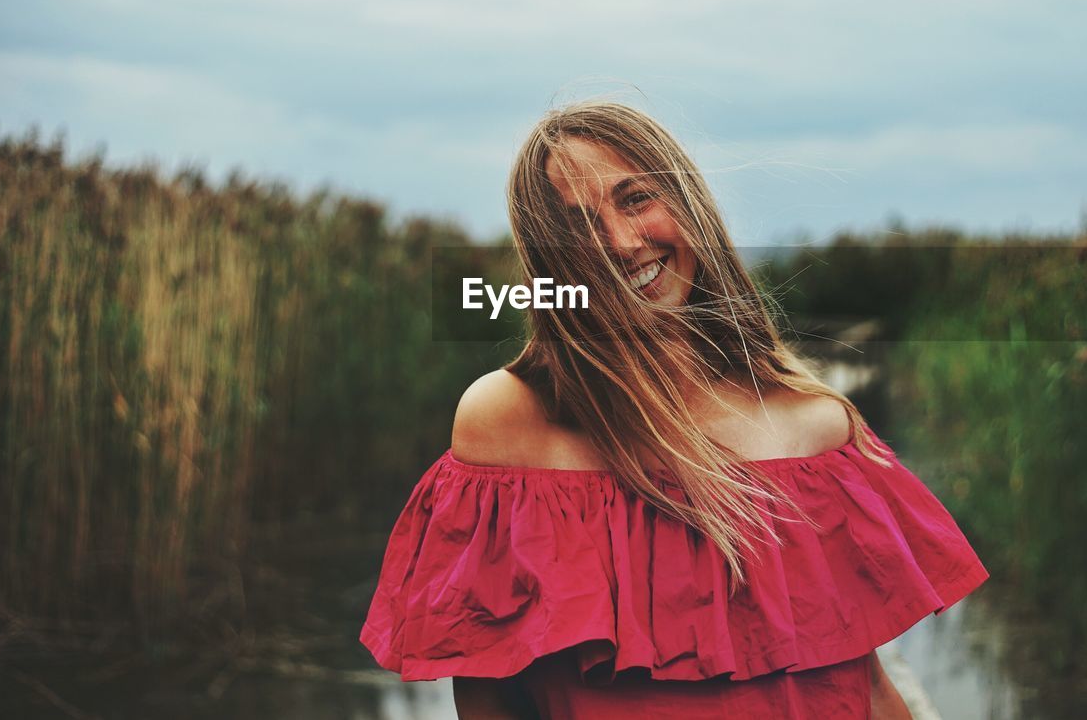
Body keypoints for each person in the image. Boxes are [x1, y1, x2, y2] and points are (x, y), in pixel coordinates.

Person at [360, 101, 989, 718]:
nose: (622, 242)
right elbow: (486, 695)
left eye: (636, 199)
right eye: (579, 226)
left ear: (689, 209)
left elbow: (867, 690)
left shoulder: (816, 428)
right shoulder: (510, 420)